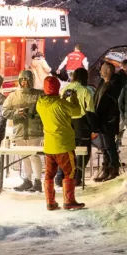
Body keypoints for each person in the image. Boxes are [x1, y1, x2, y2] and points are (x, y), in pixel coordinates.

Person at [36, 76, 86, 211]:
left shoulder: (40, 103)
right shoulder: (62, 104)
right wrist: (73, 98)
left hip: (49, 146)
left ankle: (50, 202)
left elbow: (54, 109)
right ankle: (69, 201)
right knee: (70, 172)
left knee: (49, 174)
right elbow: (77, 111)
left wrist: (62, 99)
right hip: (64, 145)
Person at [2, 69, 44, 192]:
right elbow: (4, 111)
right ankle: (27, 180)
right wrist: (16, 113)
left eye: (27, 79)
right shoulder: (13, 96)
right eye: (22, 79)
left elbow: (46, 111)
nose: (24, 82)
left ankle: (37, 181)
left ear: (31, 80)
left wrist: (34, 113)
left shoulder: (39, 94)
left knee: (34, 156)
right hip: (19, 131)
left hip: (34, 131)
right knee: (24, 156)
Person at [60, 67, 94, 185]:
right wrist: (93, 127)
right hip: (81, 123)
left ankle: (62, 176)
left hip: (66, 123)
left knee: (68, 150)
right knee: (84, 151)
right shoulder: (85, 90)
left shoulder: (64, 89)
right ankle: (77, 178)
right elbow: (90, 110)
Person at [91, 62, 124, 182]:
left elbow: (114, 104)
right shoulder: (102, 83)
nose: (100, 71)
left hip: (109, 120)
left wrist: (111, 117)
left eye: (102, 69)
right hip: (100, 119)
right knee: (104, 147)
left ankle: (113, 169)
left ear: (109, 70)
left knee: (109, 146)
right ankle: (106, 169)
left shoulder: (115, 85)